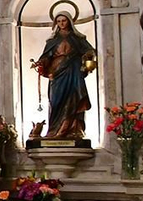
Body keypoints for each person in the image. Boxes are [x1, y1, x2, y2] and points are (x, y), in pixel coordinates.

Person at [32, 10, 96, 139]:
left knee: (74, 99)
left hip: (73, 71)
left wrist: (87, 57)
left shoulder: (77, 38)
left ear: (69, 21)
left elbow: (90, 51)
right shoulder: (52, 40)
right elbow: (46, 56)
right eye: (59, 21)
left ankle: (73, 130)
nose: (61, 23)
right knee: (56, 101)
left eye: (64, 20)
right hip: (56, 73)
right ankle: (54, 131)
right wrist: (40, 63)